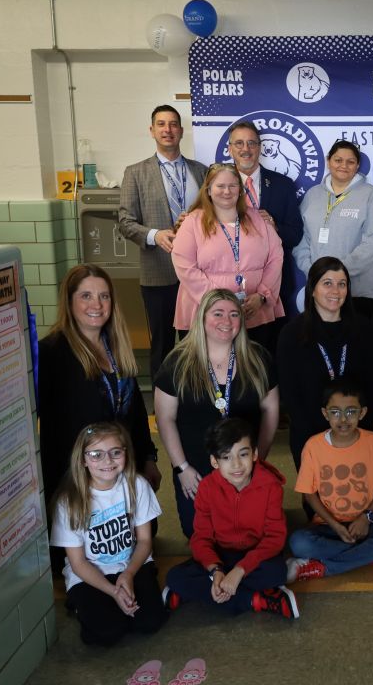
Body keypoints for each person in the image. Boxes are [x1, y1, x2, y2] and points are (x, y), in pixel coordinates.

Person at [155, 288, 279, 537]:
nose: (226, 321)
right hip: (196, 471)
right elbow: (164, 418)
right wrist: (182, 468)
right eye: (218, 313)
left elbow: (270, 409)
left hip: (244, 468)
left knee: (247, 536)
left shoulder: (257, 358)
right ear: (201, 318)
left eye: (234, 315)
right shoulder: (178, 362)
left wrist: (258, 460)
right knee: (199, 535)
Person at [38, 265, 159, 508]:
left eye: (104, 296)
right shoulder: (51, 353)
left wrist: (148, 457)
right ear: (69, 302)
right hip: (78, 481)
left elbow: (135, 411)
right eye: (86, 296)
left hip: (120, 469)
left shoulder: (116, 346)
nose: (97, 304)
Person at [162, 418, 299, 619]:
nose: (236, 465)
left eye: (243, 454)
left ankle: (195, 594)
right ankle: (257, 600)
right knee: (174, 576)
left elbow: (275, 538)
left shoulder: (271, 486)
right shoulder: (207, 488)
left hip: (255, 555)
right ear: (214, 461)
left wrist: (239, 571)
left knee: (277, 572)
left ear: (255, 454)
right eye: (226, 457)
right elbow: (201, 538)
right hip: (221, 555)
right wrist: (216, 570)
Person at [49, 423, 166, 645]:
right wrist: (113, 591)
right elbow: (78, 563)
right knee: (106, 633)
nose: (107, 461)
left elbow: (144, 541)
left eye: (115, 452)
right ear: (83, 459)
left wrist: (128, 575)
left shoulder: (137, 485)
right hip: (90, 573)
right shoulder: (69, 501)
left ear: (125, 453)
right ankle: (78, 603)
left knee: (150, 622)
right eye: (96, 455)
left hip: (130, 564)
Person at [118, 105, 208, 377]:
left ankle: (197, 402)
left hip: (197, 274)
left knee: (199, 343)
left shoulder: (201, 171)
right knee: (162, 347)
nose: (167, 130)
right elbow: (125, 221)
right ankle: (162, 410)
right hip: (158, 274)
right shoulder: (135, 172)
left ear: (181, 131)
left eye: (172, 124)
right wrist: (155, 235)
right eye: (161, 124)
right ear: (152, 130)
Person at [287, 378, 373, 582]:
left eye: (351, 411)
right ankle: (371, 556)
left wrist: (366, 518)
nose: (343, 419)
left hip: (368, 524)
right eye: (335, 412)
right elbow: (308, 493)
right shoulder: (313, 446)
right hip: (328, 526)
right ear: (325, 414)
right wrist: (334, 525)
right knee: (298, 542)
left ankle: (325, 567)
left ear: (363, 413)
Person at [276, 257, 373, 471]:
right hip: (310, 434)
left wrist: (361, 428)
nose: (335, 290)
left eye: (341, 284)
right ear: (312, 289)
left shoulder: (365, 329)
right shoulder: (292, 334)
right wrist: (317, 434)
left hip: (357, 430)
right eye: (327, 283)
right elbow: (290, 391)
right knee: (317, 500)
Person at [172, 163, 285, 347]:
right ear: (208, 190)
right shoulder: (192, 222)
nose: (227, 191)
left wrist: (262, 295)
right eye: (220, 186)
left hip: (254, 311)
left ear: (240, 190)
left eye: (233, 186)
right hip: (206, 311)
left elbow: (276, 257)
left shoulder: (257, 219)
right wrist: (218, 302)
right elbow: (184, 265)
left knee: (253, 369)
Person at [223, 120, 304, 346]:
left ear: (259, 147)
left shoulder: (282, 185)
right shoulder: (218, 186)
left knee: (268, 355)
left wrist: (275, 227)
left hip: (271, 287)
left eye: (251, 143)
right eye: (238, 143)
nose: (245, 149)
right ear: (229, 148)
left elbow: (295, 234)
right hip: (227, 287)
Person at [294, 140, 373, 317]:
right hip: (318, 288)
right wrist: (314, 272)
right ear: (329, 161)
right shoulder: (313, 195)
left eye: (350, 162)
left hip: (358, 290)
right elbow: (302, 239)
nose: (344, 165)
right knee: (319, 340)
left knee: (357, 341)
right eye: (338, 160)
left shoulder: (369, 195)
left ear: (357, 165)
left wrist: (338, 276)